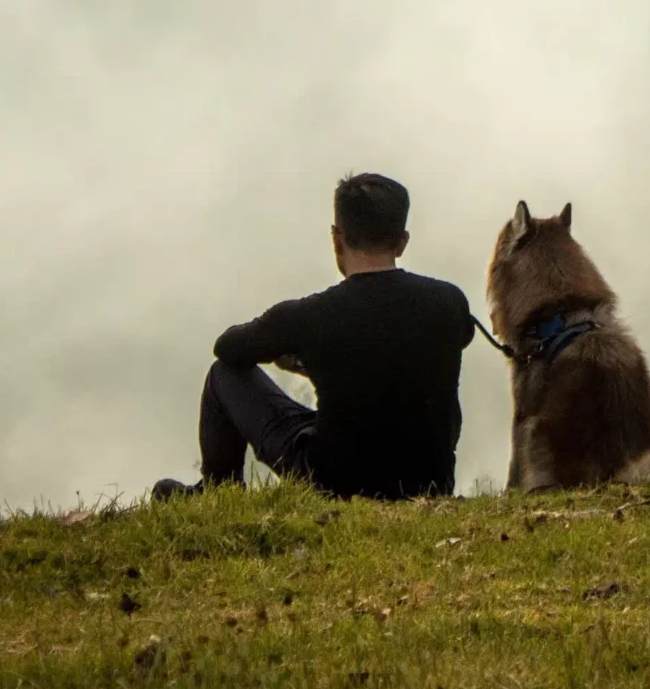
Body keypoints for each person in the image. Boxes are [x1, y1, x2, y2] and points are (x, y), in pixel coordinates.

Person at [152, 173, 475, 502]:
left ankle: (218, 493)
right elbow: (428, 346)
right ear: (403, 241)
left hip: (337, 484)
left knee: (223, 374)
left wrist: (303, 358)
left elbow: (228, 347)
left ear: (337, 238)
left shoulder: (309, 315)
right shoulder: (449, 301)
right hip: (431, 484)